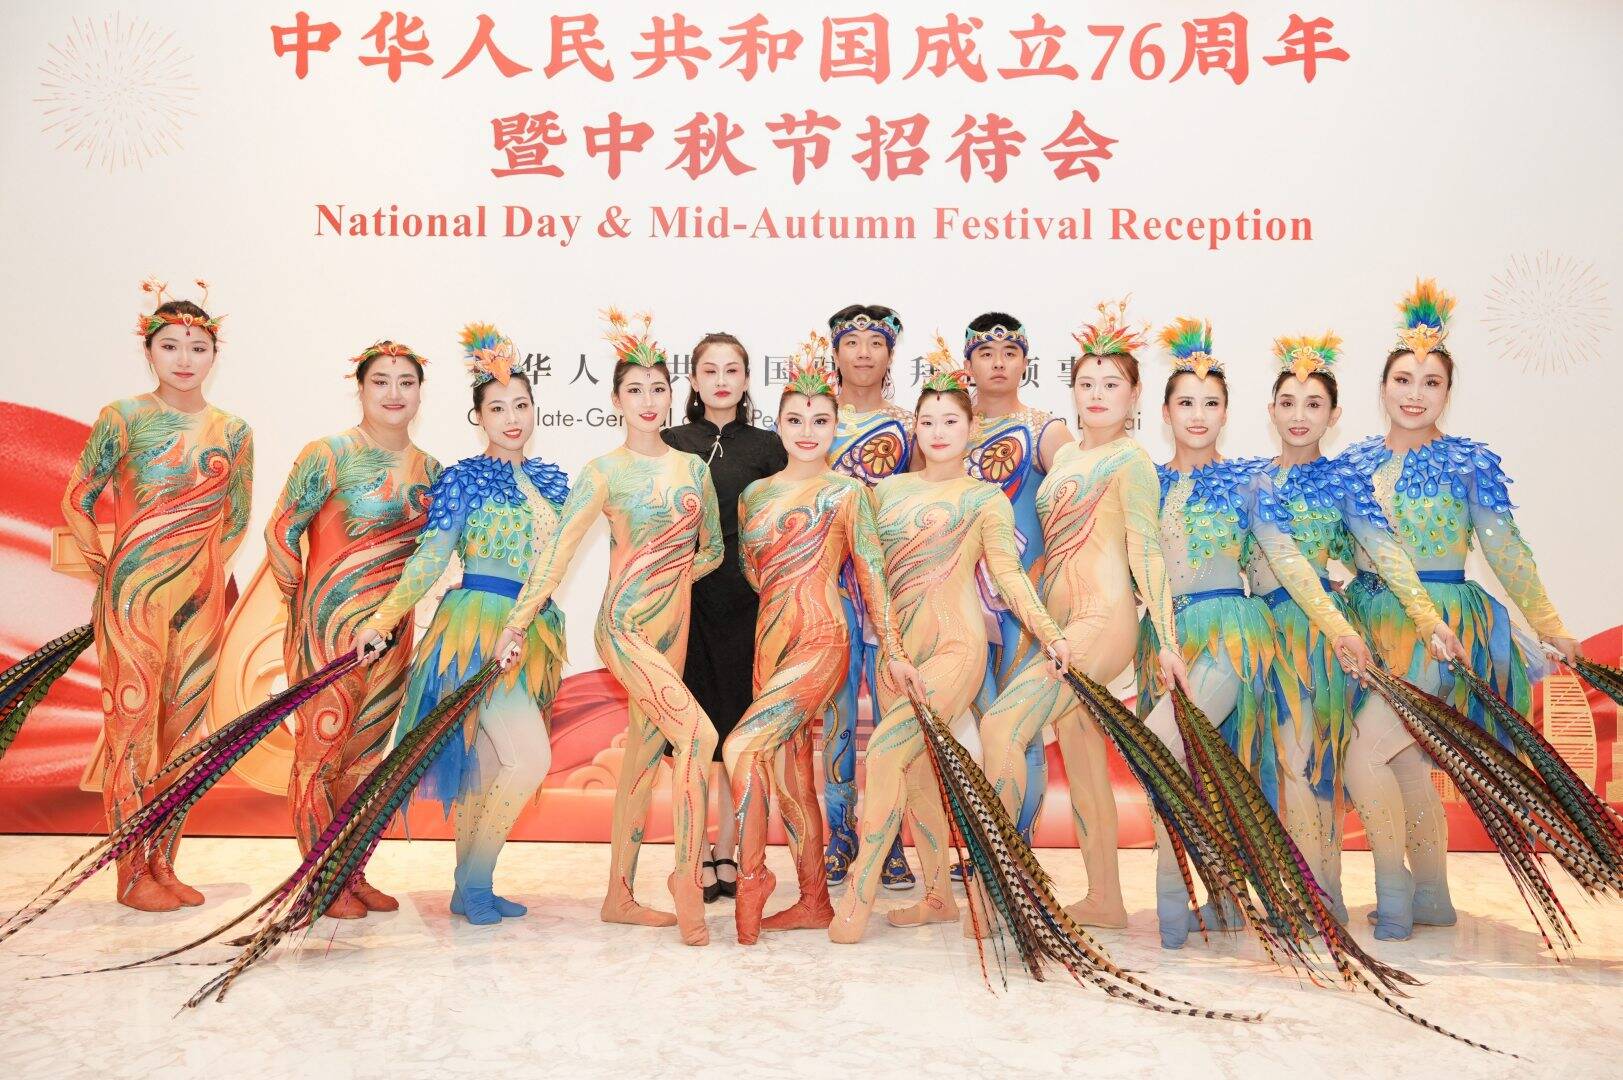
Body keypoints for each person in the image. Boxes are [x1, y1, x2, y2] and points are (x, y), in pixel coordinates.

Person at [1338, 280, 1579, 936]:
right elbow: (1328, 542)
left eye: (1431, 382)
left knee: (1364, 752)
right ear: (1382, 387)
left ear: (1448, 392)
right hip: (1368, 621)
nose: (1414, 394)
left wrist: (1549, 625)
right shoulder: (1353, 464)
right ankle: (1433, 895)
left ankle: (1393, 893)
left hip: (1439, 630)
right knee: (1403, 762)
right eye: (1403, 380)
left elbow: (1507, 551)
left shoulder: (1468, 463)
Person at [1134, 318, 1371, 950]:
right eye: (1186, 402)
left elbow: (1285, 558)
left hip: (1231, 637)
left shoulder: (1248, 480)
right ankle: (1221, 901)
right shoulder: (1145, 481)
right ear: (1164, 412)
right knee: (1205, 773)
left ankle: (1182, 903)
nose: (1198, 415)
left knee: (1162, 746)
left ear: (1228, 413)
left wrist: (1337, 626)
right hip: (1165, 638)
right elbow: (1134, 564)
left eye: (1211, 403)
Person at [828, 341, 1070, 943]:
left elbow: (1008, 577)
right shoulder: (885, 494)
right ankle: (938, 896)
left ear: (970, 430)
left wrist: (1048, 631)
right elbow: (872, 579)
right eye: (928, 421)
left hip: (957, 649)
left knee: (885, 752)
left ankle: (859, 894)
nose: (938, 432)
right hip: (896, 654)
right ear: (916, 428)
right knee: (911, 772)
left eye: (951, 422)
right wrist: (892, 651)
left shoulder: (983, 499)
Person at [495, 309, 723, 946]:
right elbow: (560, 552)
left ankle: (618, 895)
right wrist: (517, 622)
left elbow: (712, 551)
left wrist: (669, 573)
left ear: (672, 396)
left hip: (673, 634)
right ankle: (685, 880)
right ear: (616, 400)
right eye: (635, 390)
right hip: (623, 629)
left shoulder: (694, 468)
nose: (648, 401)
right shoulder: (604, 471)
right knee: (698, 735)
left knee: (644, 761)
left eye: (658, 388)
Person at [978, 299, 1185, 929]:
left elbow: (1146, 550)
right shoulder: (1065, 459)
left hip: (1104, 618)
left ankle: (999, 891)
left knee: (1001, 727)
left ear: (1134, 395)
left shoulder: (1131, 460)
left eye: (1111, 385)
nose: (1097, 395)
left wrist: (1168, 639)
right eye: (1087, 383)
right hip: (1060, 624)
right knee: (1084, 752)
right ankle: (1104, 898)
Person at [1245, 332, 1461, 931]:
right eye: (1288, 402)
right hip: (1259, 635)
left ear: (1334, 415)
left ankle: (1324, 899)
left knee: (1307, 767)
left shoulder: (1342, 481)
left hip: (1317, 638)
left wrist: (1428, 618)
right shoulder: (1251, 480)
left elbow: (1383, 552)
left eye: (1314, 404)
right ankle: (1325, 896)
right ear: (1270, 411)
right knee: (1286, 767)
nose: (1300, 415)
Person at [355, 325, 567, 926]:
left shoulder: (552, 483)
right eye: (497, 408)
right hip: (475, 631)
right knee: (527, 760)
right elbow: (429, 559)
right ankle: (473, 884)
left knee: (493, 766)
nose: (511, 419)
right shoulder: (464, 478)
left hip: (531, 631)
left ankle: (471, 886)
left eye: (521, 405)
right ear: (478, 417)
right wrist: (383, 619)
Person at [60, 278, 252, 911]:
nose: (184, 358)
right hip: (132, 601)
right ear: (149, 352)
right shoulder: (124, 418)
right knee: (132, 732)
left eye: (198, 347)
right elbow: (78, 498)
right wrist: (109, 570)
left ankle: (164, 863)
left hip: (200, 603)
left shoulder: (234, 431)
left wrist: (202, 572)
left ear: (215, 354)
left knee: (184, 738)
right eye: (170, 346)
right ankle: (129, 872)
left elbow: (237, 518)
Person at [725, 339, 924, 942]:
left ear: (836, 426)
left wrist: (893, 651)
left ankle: (753, 875)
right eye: (795, 420)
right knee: (791, 777)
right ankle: (813, 899)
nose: (807, 432)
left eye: (819, 421)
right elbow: (754, 572)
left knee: (741, 747)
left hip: (823, 637)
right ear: (778, 426)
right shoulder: (754, 496)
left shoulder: (848, 493)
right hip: (769, 643)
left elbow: (872, 575)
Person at [268, 341, 440, 918]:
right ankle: (321, 881)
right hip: (329, 630)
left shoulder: (431, 470)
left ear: (420, 392)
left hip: (392, 634)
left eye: (406, 382)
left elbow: (427, 558)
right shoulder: (328, 454)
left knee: (367, 759)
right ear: (361, 388)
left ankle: (351, 872)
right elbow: (281, 532)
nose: (394, 393)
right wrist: (301, 606)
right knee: (319, 755)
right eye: (381, 381)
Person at [662, 332, 786, 902]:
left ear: (746, 379)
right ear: (693, 379)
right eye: (709, 370)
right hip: (685, 600)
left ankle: (729, 851)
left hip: (748, 602)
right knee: (692, 731)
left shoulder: (768, 447)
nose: (720, 380)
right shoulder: (672, 442)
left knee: (738, 730)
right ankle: (694, 851)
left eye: (731, 370)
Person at [961, 311, 1073, 844]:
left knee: (1020, 725)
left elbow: (1075, 499)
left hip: (1023, 600)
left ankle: (1018, 846)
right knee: (980, 724)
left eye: (1009, 353)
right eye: (986, 353)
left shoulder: (1045, 429)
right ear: (968, 365)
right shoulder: (948, 426)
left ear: (1025, 363)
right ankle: (990, 845)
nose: (998, 363)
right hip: (963, 599)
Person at [820, 303, 915, 889]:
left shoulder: (910, 425)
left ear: (889, 354)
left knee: (890, 718)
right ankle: (840, 836)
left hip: (891, 586)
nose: (863, 353)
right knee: (835, 717)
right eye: (851, 342)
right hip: (830, 585)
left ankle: (890, 841)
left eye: (874, 343)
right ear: (834, 353)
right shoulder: (818, 418)